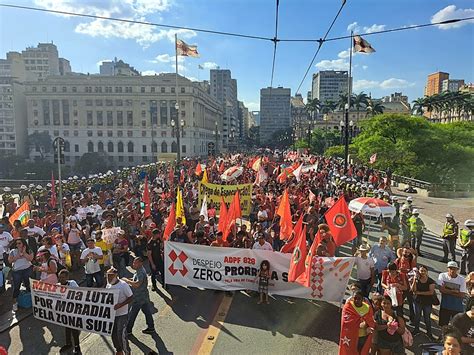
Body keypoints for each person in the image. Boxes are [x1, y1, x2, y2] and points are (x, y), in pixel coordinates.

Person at [123, 257, 156, 335]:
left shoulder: (141, 272)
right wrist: (127, 279)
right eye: (133, 262)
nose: (133, 264)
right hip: (143, 296)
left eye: (135, 263)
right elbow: (135, 280)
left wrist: (127, 281)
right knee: (147, 312)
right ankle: (151, 327)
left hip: (139, 297)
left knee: (132, 314)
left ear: (140, 263)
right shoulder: (138, 270)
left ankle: (128, 330)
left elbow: (137, 284)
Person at [106, 267, 133, 355]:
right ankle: (119, 350)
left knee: (121, 334)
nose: (109, 278)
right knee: (113, 334)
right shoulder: (108, 285)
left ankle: (127, 352)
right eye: (107, 276)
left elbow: (131, 298)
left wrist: (120, 305)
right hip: (112, 315)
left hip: (122, 314)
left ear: (116, 275)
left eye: (111, 276)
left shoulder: (123, 285)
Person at [339, 290, 375, 355]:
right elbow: (345, 321)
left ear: (363, 299)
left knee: (360, 351)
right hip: (350, 336)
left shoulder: (367, 307)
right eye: (355, 298)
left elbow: (371, 321)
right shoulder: (348, 306)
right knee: (350, 352)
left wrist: (367, 324)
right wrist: (358, 323)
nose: (356, 300)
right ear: (353, 298)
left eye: (359, 298)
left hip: (362, 336)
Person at [57, 269, 81, 355]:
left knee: (74, 329)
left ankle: (77, 347)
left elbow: (80, 293)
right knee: (67, 328)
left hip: (73, 310)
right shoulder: (57, 286)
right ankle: (68, 343)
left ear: (67, 277)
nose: (61, 279)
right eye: (60, 277)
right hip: (64, 311)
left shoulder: (72, 283)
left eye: (63, 277)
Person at [438, 261, 467, 326]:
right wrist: (454, 291)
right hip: (445, 306)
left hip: (457, 308)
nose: (452, 270)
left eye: (454, 268)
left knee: (457, 327)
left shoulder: (462, 279)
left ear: (457, 269)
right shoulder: (442, 276)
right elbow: (441, 290)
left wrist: (447, 291)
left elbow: (462, 295)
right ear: (447, 268)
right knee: (443, 325)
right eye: (450, 268)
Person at [410, 264, 436, 340]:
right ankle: (416, 330)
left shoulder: (430, 281)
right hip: (417, 301)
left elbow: (431, 292)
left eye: (424, 271)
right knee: (417, 317)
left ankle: (429, 333)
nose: (423, 272)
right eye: (421, 271)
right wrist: (414, 280)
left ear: (427, 272)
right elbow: (413, 290)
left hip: (427, 302)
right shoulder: (417, 280)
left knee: (427, 318)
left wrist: (419, 293)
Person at [8, 238, 34, 312]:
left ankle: (31, 300)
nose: (17, 245)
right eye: (16, 243)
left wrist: (24, 253)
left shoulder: (29, 250)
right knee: (16, 287)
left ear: (23, 243)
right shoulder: (13, 251)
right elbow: (10, 261)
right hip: (17, 271)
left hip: (27, 269)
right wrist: (18, 255)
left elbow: (30, 259)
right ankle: (15, 303)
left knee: (28, 285)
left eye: (19, 243)